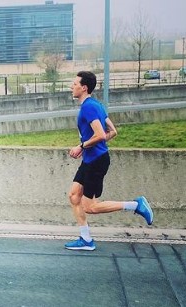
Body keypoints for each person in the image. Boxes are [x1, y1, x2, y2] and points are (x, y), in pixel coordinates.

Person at [65, 71, 153, 251]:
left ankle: (136, 205)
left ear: (84, 87)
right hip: (92, 159)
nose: (71, 87)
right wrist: (89, 147)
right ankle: (86, 239)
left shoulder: (88, 107)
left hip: (96, 161)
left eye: (75, 84)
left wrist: (82, 146)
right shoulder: (96, 105)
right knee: (74, 196)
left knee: (90, 207)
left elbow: (99, 134)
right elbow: (112, 132)